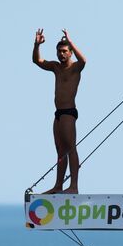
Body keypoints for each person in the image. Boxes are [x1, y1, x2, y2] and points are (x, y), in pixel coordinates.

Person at [33, 28, 86, 194]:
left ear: (70, 53)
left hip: (69, 112)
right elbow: (37, 61)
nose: (61, 54)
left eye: (64, 51)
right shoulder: (56, 67)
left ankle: (74, 186)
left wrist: (70, 42)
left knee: (71, 148)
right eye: (59, 52)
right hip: (58, 114)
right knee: (60, 151)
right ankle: (58, 186)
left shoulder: (76, 67)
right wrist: (36, 45)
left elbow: (84, 60)